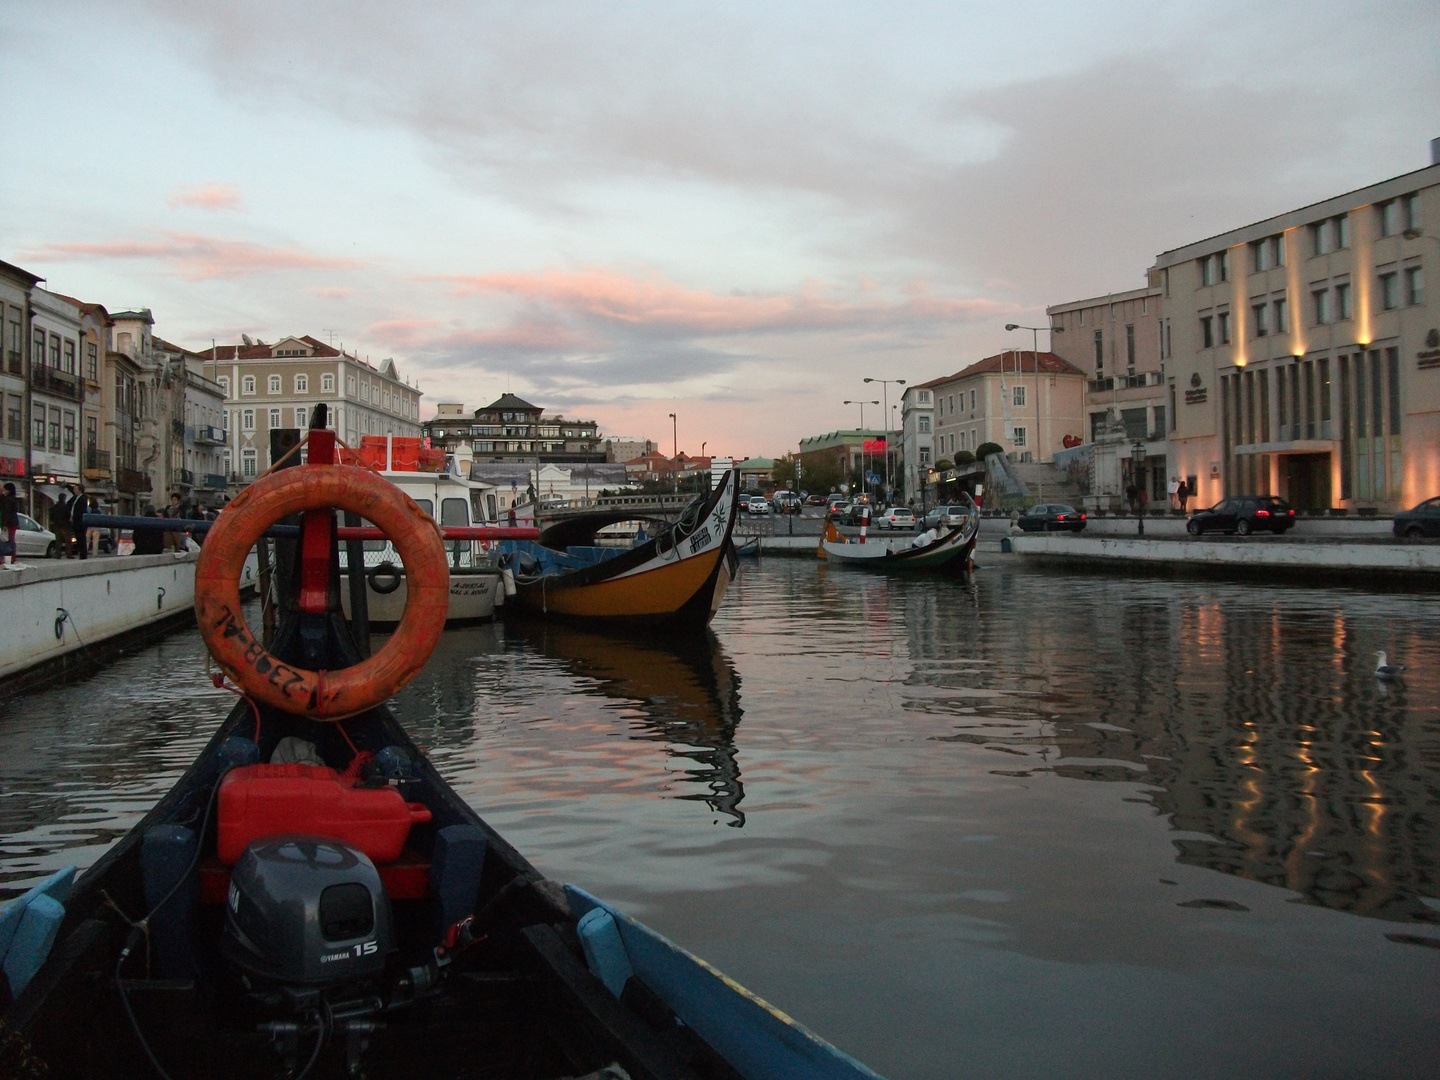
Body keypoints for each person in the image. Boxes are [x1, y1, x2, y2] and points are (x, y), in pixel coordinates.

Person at [0, 482, 18, 565]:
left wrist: (4, 524)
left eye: (5, 490)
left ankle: (10, 557)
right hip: (13, 523)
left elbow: (7, 513)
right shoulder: (12, 499)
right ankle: (12, 557)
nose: (4, 491)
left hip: (9, 524)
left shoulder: (8, 500)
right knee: (10, 540)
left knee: (8, 540)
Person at [70, 484, 89, 559]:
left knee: (81, 537)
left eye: (75, 489)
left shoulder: (82, 498)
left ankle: (83, 554)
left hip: (79, 521)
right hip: (76, 520)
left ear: (80, 490)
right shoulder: (77, 497)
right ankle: (82, 553)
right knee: (79, 537)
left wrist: (74, 517)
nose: (74, 490)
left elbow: (80, 510)